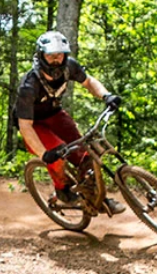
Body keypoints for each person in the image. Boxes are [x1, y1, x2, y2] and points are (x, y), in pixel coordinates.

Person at [13, 30, 124, 212]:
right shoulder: (29, 86)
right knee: (57, 154)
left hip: (55, 115)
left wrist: (106, 95)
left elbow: (88, 82)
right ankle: (62, 190)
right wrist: (44, 154)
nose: (56, 59)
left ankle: (97, 198)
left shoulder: (69, 67)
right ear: (41, 56)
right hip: (34, 125)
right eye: (50, 55)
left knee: (84, 154)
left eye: (60, 55)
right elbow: (25, 125)